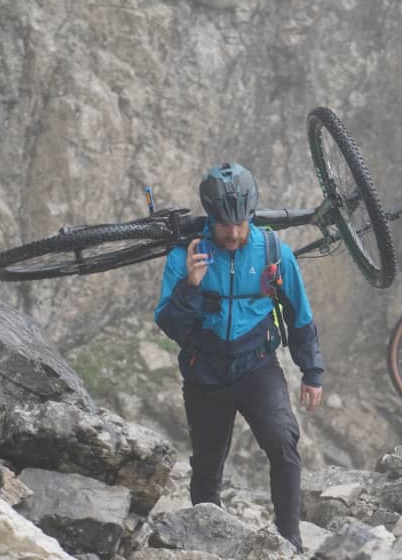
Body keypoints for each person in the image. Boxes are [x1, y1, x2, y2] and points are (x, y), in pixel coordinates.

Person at [154, 162, 323, 553]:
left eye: (240, 224)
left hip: (257, 365)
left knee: (283, 443)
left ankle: (289, 540)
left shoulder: (274, 253)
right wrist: (191, 287)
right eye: (224, 225)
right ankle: (205, 545)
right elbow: (169, 324)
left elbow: (300, 314)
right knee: (208, 464)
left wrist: (312, 371)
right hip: (205, 371)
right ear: (209, 218)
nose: (233, 233)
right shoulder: (186, 256)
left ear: (251, 215)